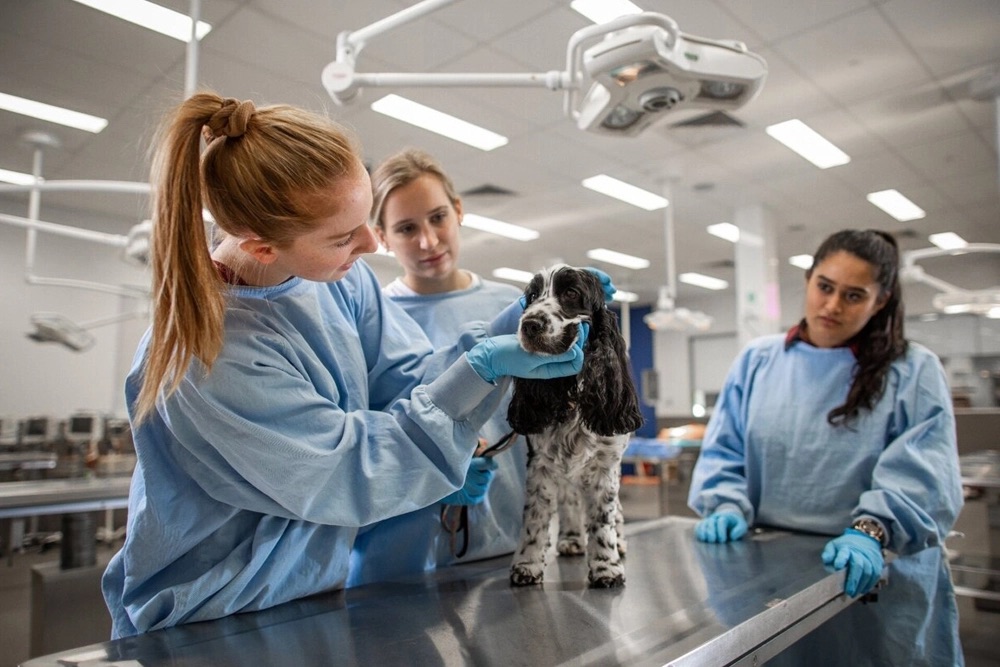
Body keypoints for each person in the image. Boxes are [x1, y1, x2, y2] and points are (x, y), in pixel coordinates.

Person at [101, 93, 590, 638]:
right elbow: (348, 468)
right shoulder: (207, 356)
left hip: (310, 592)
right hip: (216, 611)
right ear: (262, 247)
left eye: (364, 221)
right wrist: (475, 379)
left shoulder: (337, 276)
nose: (372, 243)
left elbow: (407, 377)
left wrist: (510, 331)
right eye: (343, 236)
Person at [687, 229, 964, 666]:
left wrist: (872, 532)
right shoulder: (759, 361)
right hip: (773, 578)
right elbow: (726, 449)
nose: (832, 306)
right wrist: (725, 504)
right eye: (825, 287)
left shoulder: (913, 370)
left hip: (876, 577)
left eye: (854, 296)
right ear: (808, 279)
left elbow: (925, 474)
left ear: (882, 300)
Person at [345, 148, 527, 585]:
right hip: (402, 553)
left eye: (438, 218)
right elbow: (366, 431)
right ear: (381, 237)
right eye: (406, 228)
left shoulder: (511, 307)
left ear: (459, 211)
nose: (428, 241)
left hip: (511, 532)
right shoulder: (374, 317)